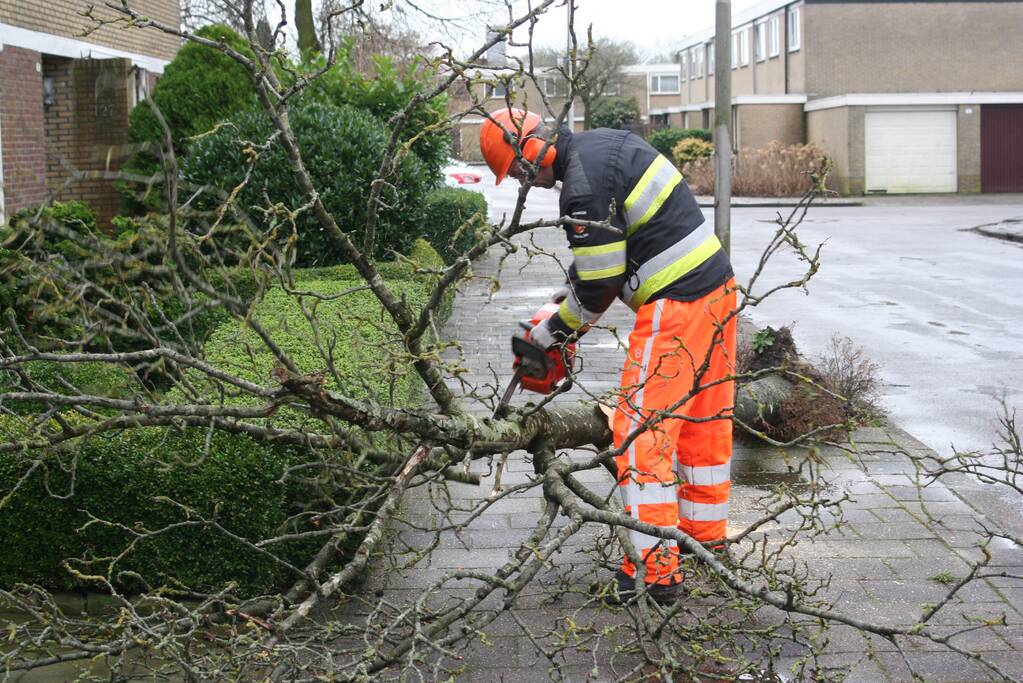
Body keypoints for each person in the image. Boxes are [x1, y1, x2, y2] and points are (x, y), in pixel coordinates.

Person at [480, 108, 737, 603]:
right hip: (717, 293)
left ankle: (653, 573)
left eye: (517, 172)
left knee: (640, 434)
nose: (525, 184)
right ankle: (704, 540)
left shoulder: (582, 186)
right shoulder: (600, 149)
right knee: (703, 423)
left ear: (527, 148)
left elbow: (600, 282)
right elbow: (604, 258)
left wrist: (552, 333)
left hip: (676, 304)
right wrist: (561, 303)